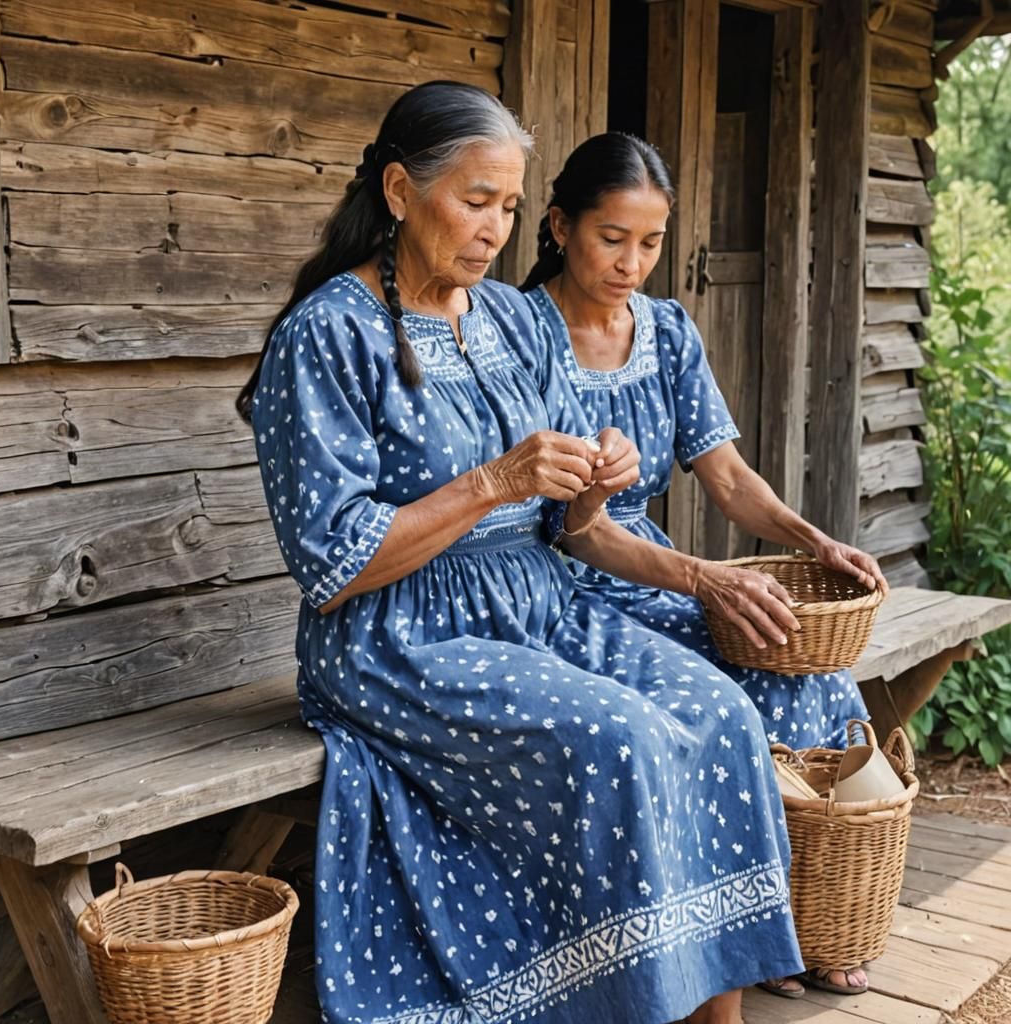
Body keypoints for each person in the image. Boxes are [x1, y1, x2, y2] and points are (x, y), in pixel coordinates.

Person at [239, 83, 804, 1024]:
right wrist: (495, 482)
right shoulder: (328, 333)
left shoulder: (506, 317)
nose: (495, 231)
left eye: (507, 206)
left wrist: (596, 479)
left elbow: (572, 529)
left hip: (540, 604)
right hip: (400, 634)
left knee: (722, 713)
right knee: (619, 742)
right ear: (398, 190)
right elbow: (333, 567)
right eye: (475, 201)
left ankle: (720, 1018)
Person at [520, 131, 889, 998]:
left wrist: (813, 540)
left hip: (653, 568)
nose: (631, 264)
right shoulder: (517, 331)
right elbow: (568, 526)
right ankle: (744, 940)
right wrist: (707, 579)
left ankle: (808, 916)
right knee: (732, 678)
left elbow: (726, 477)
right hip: (560, 581)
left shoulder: (668, 332)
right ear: (560, 226)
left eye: (651, 243)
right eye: (612, 238)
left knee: (797, 660)